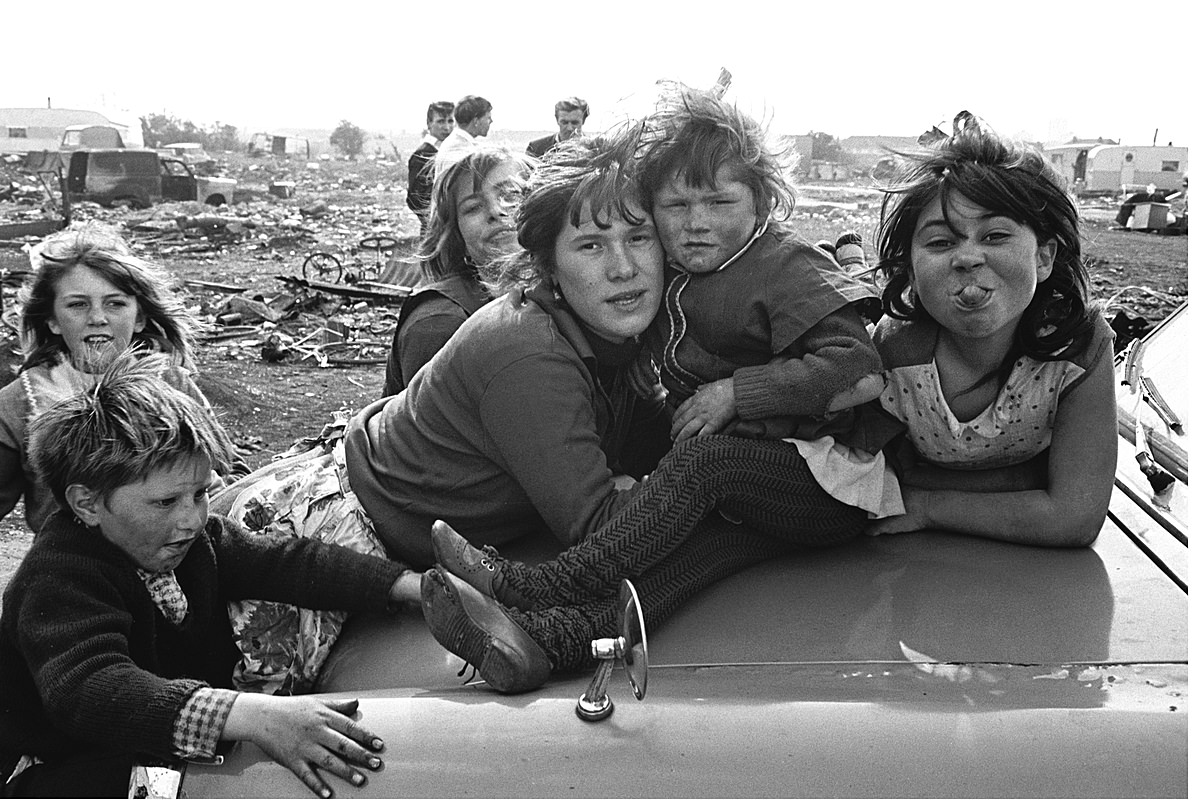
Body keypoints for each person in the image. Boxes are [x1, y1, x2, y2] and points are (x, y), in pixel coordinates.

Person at [406, 122, 897, 693]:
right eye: (676, 206)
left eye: (719, 202)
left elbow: (861, 373)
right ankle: (550, 640)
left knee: (703, 466)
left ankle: (531, 588)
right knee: (681, 565)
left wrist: (739, 391)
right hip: (766, 493)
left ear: (762, 202)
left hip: (832, 482)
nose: (696, 222)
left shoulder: (784, 265)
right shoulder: (684, 276)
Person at [0, 354, 420, 798]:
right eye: (165, 503)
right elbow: (93, 689)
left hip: (150, 745)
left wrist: (405, 585)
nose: (192, 519)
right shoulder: (57, 579)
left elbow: (289, 563)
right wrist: (253, 714)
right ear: (87, 503)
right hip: (58, 770)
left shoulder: (194, 543)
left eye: (200, 493)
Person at [346, 134, 672, 570]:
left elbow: (645, 446)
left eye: (639, 237)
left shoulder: (612, 334)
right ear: (547, 264)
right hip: (349, 533)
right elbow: (601, 533)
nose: (623, 268)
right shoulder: (527, 351)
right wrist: (720, 471)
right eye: (591, 245)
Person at [866, 111, 1117, 546]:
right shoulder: (893, 353)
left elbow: (1074, 517)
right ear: (910, 268)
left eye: (995, 235)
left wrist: (927, 505)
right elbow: (887, 480)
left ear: (1043, 257)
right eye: (941, 242)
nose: (967, 257)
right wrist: (1023, 481)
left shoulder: (1078, 350)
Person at [0, 224, 246, 534]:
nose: (98, 318)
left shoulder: (171, 384)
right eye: (77, 305)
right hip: (74, 569)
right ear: (52, 320)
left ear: (140, 317)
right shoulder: (21, 401)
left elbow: (231, 471)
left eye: (115, 303)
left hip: (177, 560)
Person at [383, 144, 533, 396]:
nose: (496, 211)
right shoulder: (440, 324)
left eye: (511, 195)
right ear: (457, 236)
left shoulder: (559, 295)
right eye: (473, 207)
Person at [405, 100, 455, 233]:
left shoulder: (450, 152)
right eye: (440, 121)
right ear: (429, 124)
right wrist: (434, 222)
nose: (447, 127)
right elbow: (414, 199)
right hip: (434, 231)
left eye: (450, 121)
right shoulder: (422, 155)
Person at [435, 95, 493, 166]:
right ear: (476, 121)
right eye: (488, 118)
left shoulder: (459, 142)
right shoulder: (459, 147)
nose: (491, 121)